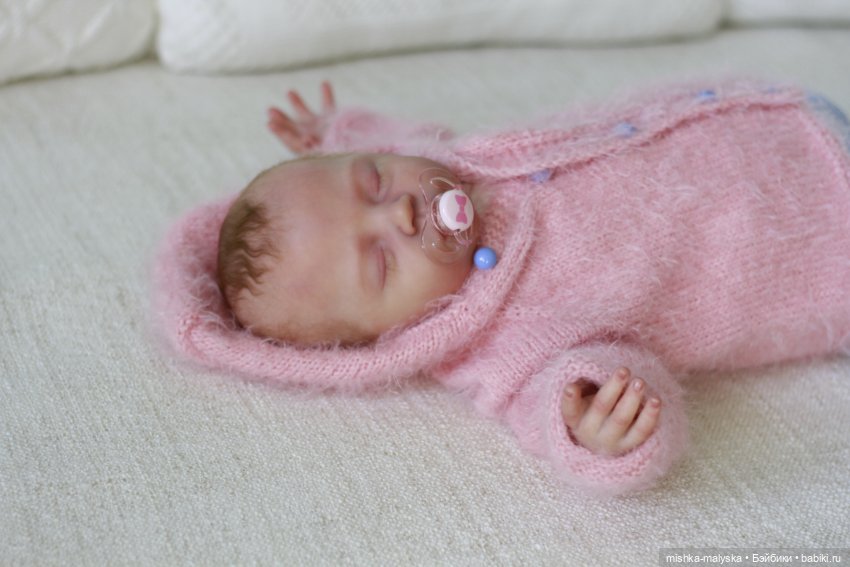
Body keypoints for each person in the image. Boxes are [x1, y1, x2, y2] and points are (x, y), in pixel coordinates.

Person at [154, 79, 850, 495]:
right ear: (389, 336)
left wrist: (338, 130)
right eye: (381, 262)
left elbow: (405, 138)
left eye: (372, 180)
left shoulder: (456, 160)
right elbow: (559, 394)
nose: (399, 213)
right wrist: (591, 425)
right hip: (827, 252)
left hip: (792, 118)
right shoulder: (503, 345)